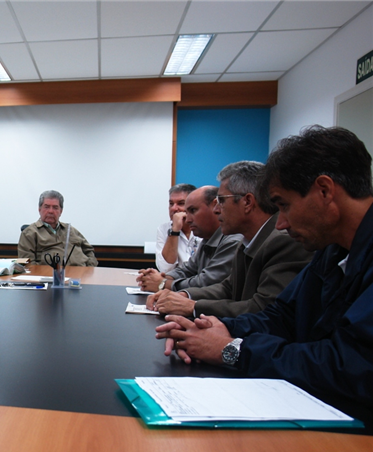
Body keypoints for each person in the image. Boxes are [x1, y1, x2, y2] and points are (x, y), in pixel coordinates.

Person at [156, 126, 373, 408]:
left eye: (284, 205)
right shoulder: (332, 250)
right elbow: (282, 316)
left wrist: (233, 350)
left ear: (324, 191)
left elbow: (350, 368)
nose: (280, 223)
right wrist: (216, 326)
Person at [148, 161, 313, 317]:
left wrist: (192, 306)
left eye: (221, 201)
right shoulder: (248, 240)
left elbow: (263, 308)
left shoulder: (282, 240)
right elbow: (228, 288)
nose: (217, 209)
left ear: (247, 202)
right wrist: (184, 294)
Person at [137, 186, 241, 292]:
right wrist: (158, 279)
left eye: (193, 210)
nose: (188, 219)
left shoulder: (233, 240)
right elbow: (188, 269)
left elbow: (206, 282)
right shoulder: (208, 237)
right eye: (171, 204)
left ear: (215, 206)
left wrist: (163, 284)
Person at [17, 190, 98, 266]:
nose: (51, 211)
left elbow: (89, 250)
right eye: (47, 207)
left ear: (61, 211)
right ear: (39, 209)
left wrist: (89, 268)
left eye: (55, 207)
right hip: (52, 277)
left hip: (82, 275)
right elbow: (27, 264)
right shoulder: (30, 233)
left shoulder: (70, 230)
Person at [156, 183, 199, 273]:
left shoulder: (204, 227)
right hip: (175, 283)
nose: (174, 208)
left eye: (181, 203)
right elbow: (165, 269)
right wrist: (174, 230)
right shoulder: (163, 229)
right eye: (171, 204)